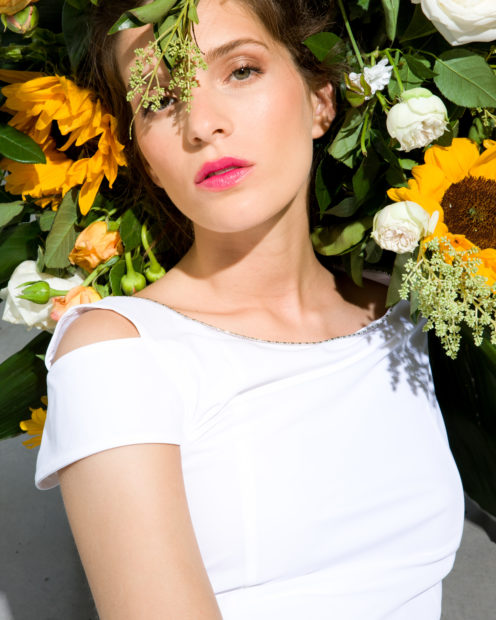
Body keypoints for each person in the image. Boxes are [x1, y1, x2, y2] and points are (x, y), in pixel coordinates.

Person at [34, 0, 465, 618]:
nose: (201, 125)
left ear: (321, 98)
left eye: (240, 71)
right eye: (158, 100)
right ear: (147, 161)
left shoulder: (406, 308)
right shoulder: (119, 355)